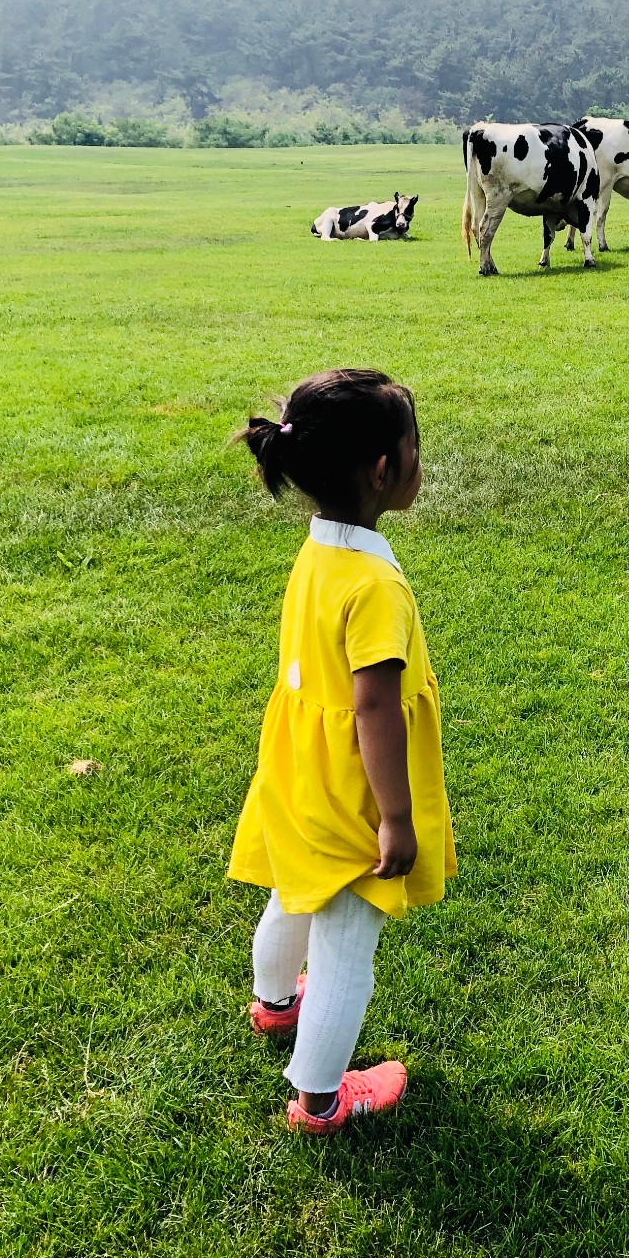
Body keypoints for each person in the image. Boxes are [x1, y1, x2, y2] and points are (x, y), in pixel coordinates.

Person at [227, 367, 453, 1133]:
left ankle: (274, 1003)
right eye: (416, 448)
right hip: (353, 787)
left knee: (295, 886)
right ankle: (321, 1099)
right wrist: (394, 817)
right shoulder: (374, 586)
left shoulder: (319, 550)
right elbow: (374, 705)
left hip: (297, 771)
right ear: (386, 471)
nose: (422, 462)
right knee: (348, 941)